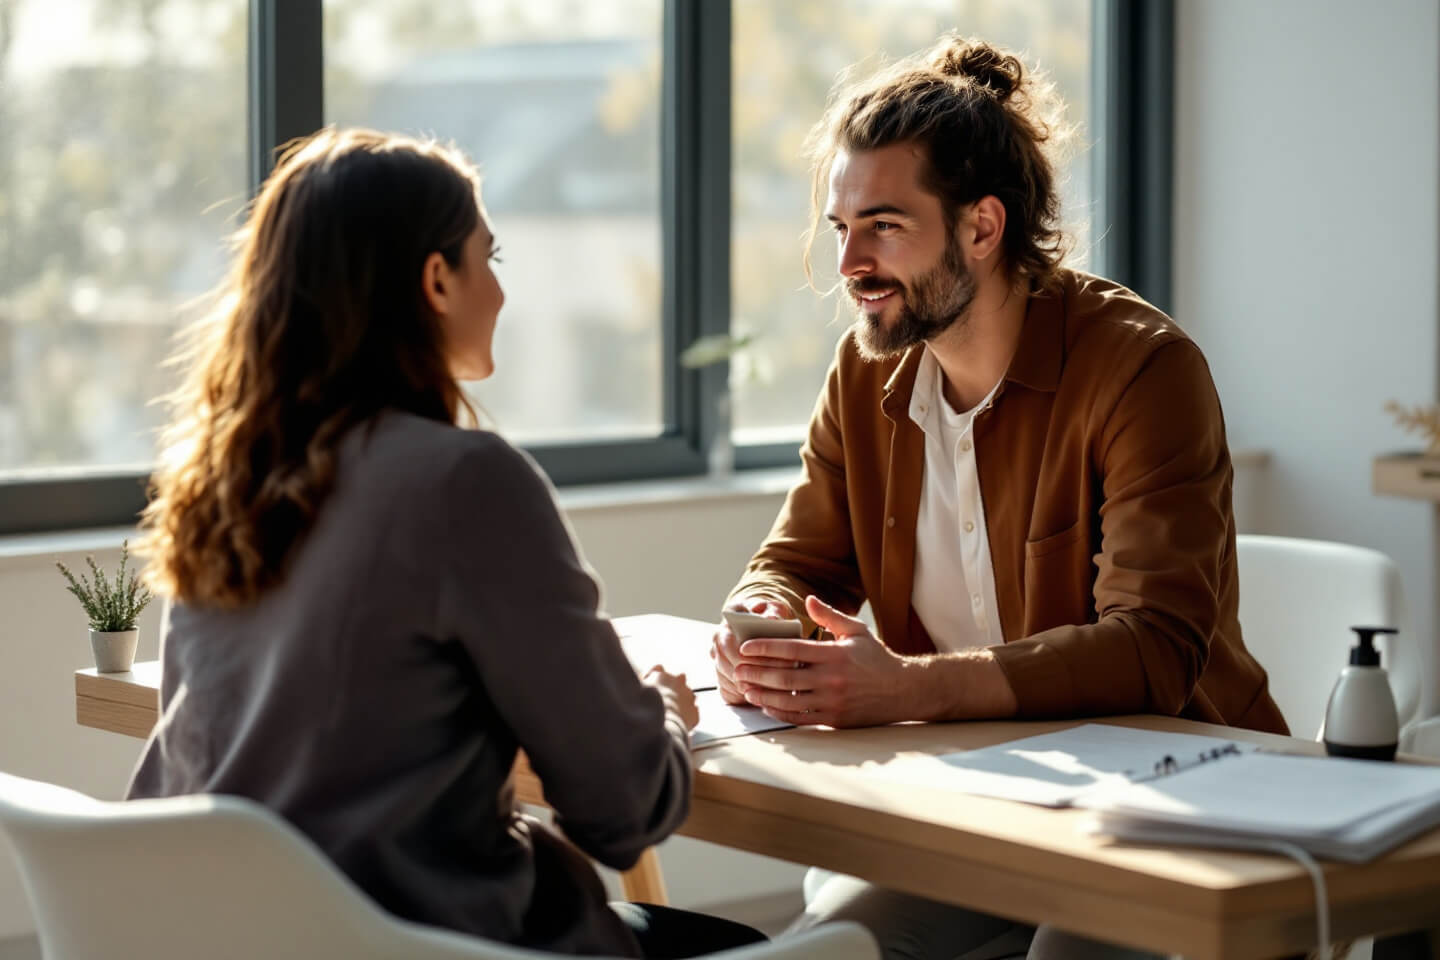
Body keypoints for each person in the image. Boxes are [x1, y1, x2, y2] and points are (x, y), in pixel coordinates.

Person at [708, 35, 1287, 960]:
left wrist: (910, 688)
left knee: (1068, 950)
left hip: (1182, 804)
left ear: (983, 227)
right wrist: (758, 621)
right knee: (841, 941)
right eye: (841, 228)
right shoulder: (868, 375)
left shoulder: (1143, 369)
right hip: (986, 801)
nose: (851, 261)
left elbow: (1156, 648)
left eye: (885, 226)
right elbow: (797, 563)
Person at [129, 127, 764, 959]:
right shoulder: (467, 482)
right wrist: (664, 713)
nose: (500, 291)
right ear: (436, 279)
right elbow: (624, 811)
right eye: (488, 257)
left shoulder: (220, 485)